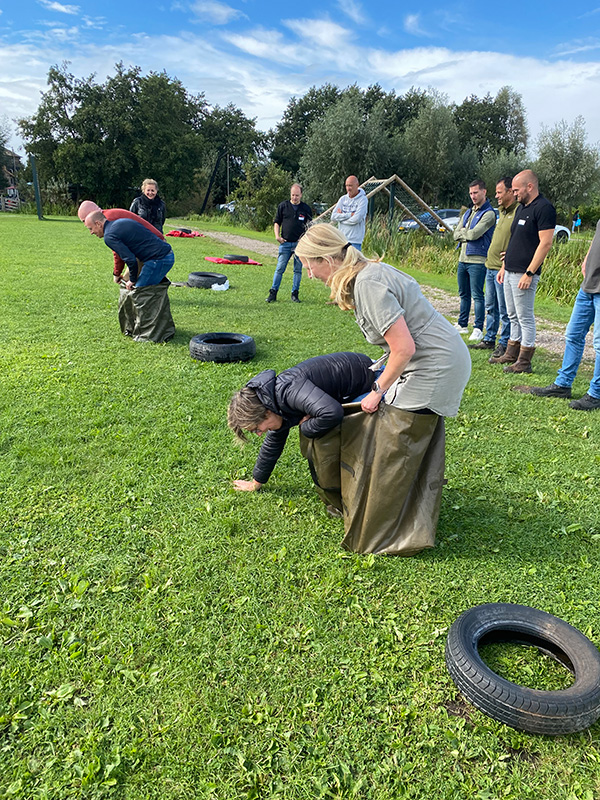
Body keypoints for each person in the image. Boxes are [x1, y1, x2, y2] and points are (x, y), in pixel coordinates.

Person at [296, 224, 471, 417]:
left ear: (327, 259)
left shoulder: (367, 284)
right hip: (435, 357)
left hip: (434, 364)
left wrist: (377, 391)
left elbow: (404, 348)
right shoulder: (367, 273)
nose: (310, 276)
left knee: (396, 434)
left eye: (309, 268)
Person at [228, 352, 374, 490]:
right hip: (350, 388)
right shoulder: (274, 404)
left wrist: (306, 428)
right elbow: (272, 445)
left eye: (257, 429)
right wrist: (256, 482)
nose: (260, 434)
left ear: (266, 412)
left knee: (362, 441)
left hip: (371, 378)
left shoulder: (289, 391)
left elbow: (332, 413)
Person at [513, 219, 600, 411]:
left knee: (599, 343)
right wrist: (586, 259)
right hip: (587, 286)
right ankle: (563, 384)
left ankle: (596, 393)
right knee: (573, 335)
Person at [496, 170, 556, 374]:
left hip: (524, 274)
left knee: (524, 316)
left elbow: (545, 243)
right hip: (510, 270)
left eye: (516, 190)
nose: (514, 194)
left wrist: (529, 273)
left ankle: (524, 360)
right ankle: (511, 353)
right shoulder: (521, 208)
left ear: (529, 186)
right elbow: (514, 240)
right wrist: (505, 266)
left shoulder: (544, 208)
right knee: (512, 314)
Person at [470, 178, 519, 360]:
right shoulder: (501, 212)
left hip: (502, 268)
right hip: (490, 265)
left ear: (509, 192)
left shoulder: (517, 213)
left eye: (499, 192)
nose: (496, 196)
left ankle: (505, 343)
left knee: (504, 309)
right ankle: (490, 337)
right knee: (491, 306)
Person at [78, 200, 165, 283]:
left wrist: (117, 273)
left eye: (84, 221)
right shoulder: (109, 215)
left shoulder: (108, 220)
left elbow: (119, 252)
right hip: (155, 244)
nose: (86, 224)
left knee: (127, 282)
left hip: (153, 246)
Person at [452, 180, 496, 343]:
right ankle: (462, 324)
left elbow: (474, 235)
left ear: (484, 192)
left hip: (478, 260)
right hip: (462, 258)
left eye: (476, 192)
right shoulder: (468, 212)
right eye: (471, 193)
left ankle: (478, 328)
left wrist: (464, 233)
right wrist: (465, 233)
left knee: (477, 295)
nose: (473, 196)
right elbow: (455, 233)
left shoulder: (489, 214)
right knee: (463, 293)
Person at [84, 210, 174, 289]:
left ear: (98, 224)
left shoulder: (109, 236)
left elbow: (130, 259)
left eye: (91, 229)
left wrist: (132, 280)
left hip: (158, 259)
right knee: (150, 291)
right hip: (165, 255)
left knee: (139, 293)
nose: (91, 232)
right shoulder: (121, 222)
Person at [266, 184, 312, 303]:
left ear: (301, 195)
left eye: (297, 195)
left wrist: (305, 240)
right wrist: (277, 236)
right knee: (280, 268)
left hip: (299, 245)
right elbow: (277, 222)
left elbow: (310, 227)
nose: (295, 197)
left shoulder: (306, 209)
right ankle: (273, 293)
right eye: (293, 195)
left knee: (297, 270)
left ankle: (295, 294)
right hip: (285, 243)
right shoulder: (283, 206)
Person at [331, 176, 368, 250]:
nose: (348, 188)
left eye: (350, 185)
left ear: (357, 185)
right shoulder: (343, 199)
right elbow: (333, 217)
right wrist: (350, 215)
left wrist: (341, 218)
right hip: (341, 240)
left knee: (354, 262)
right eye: (347, 185)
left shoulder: (363, 200)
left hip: (355, 242)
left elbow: (356, 219)